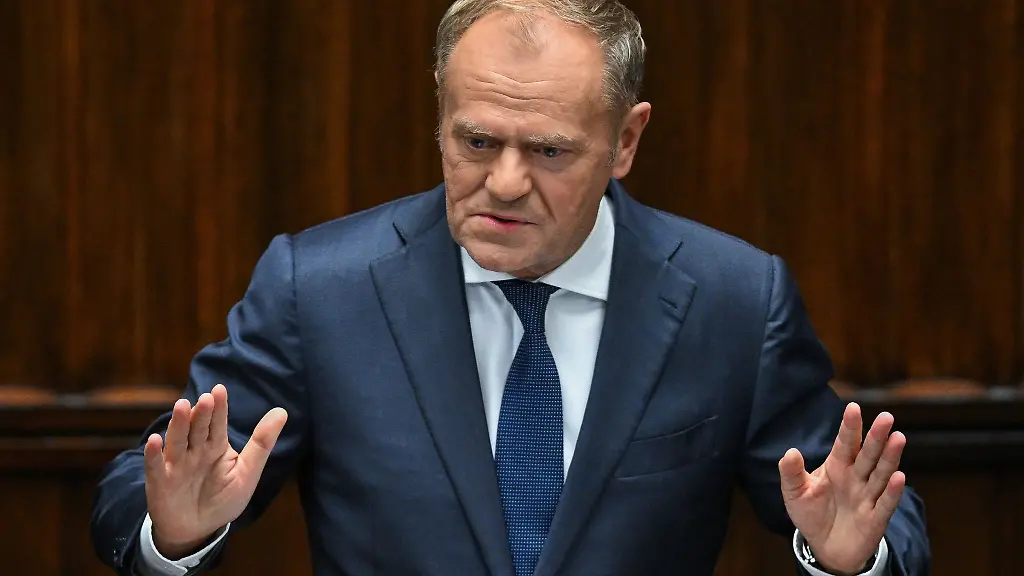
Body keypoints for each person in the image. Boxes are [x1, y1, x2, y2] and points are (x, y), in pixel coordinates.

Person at [90, 1, 931, 575]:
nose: (504, 183)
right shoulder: (321, 289)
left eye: (550, 151)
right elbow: (143, 487)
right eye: (477, 141)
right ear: (440, 113)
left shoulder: (734, 299)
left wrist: (851, 557)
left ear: (626, 140)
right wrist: (177, 531)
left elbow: (871, 511)